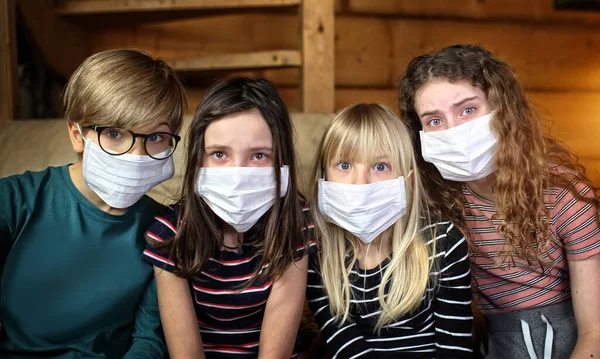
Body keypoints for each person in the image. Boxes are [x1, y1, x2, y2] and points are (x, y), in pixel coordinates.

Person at [396, 44, 600, 359]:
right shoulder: (434, 201)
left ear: (502, 110)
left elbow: (594, 333)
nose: (454, 131)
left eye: (467, 110)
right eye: (434, 121)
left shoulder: (564, 194)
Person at [0, 49, 187, 358]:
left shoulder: (165, 229)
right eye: (114, 133)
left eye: (155, 137)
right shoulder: (15, 201)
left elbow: (149, 339)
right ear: (77, 134)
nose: (136, 155)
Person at [142, 77, 315, 358]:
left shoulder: (295, 222)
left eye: (259, 155)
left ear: (282, 159)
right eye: (219, 154)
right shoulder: (170, 232)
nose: (238, 174)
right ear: (199, 157)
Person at [306, 103, 473, 358]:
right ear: (323, 177)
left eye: (380, 167)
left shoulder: (444, 243)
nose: (360, 182)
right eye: (344, 165)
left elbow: (455, 347)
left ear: (408, 181)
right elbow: (341, 339)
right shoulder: (317, 252)